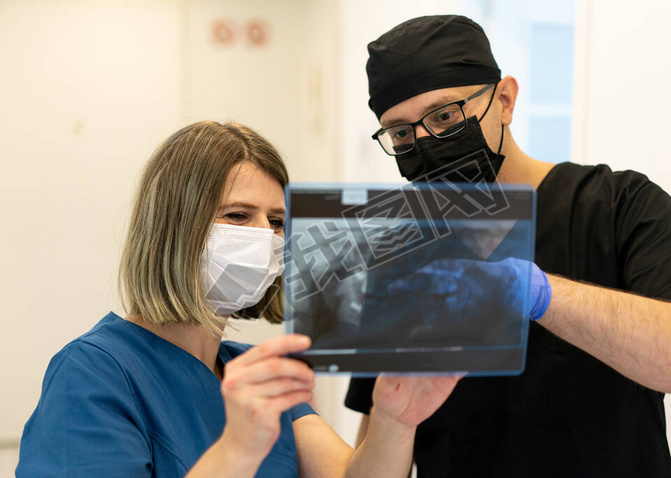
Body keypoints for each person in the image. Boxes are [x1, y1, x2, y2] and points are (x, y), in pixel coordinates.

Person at [344, 14, 671, 477]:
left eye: (445, 116)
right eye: (401, 133)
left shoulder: (616, 205)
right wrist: (394, 422)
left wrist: (536, 293)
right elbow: (372, 457)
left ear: (504, 100)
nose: (426, 142)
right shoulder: (402, 252)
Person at [16, 120, 461, 477]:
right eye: (236, 216)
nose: (264, 238)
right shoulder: (95, 372)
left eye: (276, 221)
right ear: (176, 227)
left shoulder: (251, 371)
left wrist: (394, 421)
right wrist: (237, 449)